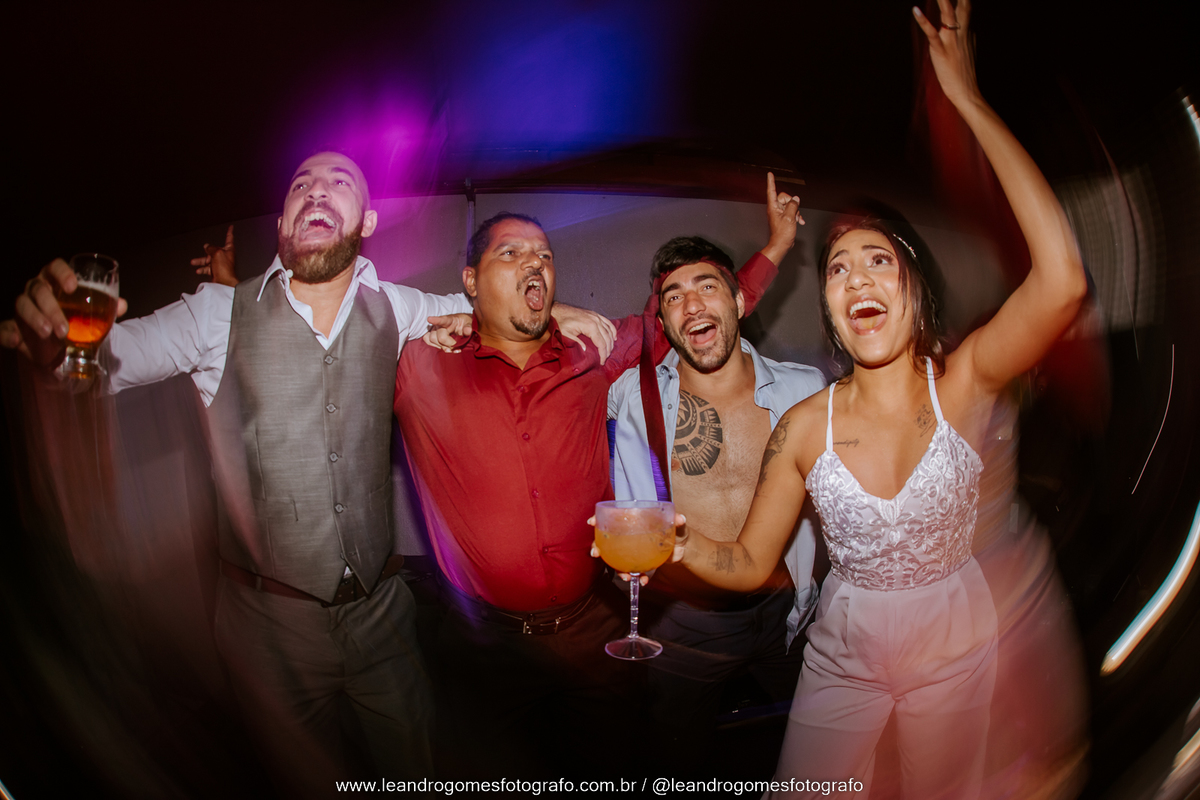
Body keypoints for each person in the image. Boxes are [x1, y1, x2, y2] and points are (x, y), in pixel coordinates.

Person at [9, 151, 610, 795]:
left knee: (414, 770)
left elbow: (495, 303)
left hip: (384, 617)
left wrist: (562, 311)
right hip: (268, 630)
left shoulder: (397, 306)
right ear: (282, 222)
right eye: (302, 184)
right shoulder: (215, 314)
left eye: (339, 183)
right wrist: (53, 345)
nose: (317, 192)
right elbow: (106, 360)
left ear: (367, 221)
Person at [668, 3, 1088, 797]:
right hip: (844, 655)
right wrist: (670, 544)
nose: (856, 276)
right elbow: (751, 561)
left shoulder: (964, 382)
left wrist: (969, 101)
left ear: (911, 290)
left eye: (878, 261)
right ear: (831, 310)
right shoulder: (804, 427)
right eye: (838, 268)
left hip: (957, 646)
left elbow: (1062, 280)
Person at [392, 176, 803, 777]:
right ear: (471, 281)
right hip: (483, 644)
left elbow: (696, 317)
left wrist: (778, 245)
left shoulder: (593, 351)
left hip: (597, 632)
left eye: (544, 255)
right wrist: (450, 317)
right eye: (511, 252)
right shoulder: (419, 364)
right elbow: (345, 323)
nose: (534, 262)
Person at [607, 235, 825, 774]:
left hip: (787, 613)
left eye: (707, 287)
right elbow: (554, 357)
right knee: (673, 764)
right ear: (664, 323)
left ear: (740, 301)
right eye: (674, 296)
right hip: (685, 624)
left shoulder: (806, 391)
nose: (692, 304)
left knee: (816, 757)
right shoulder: (632, 396)